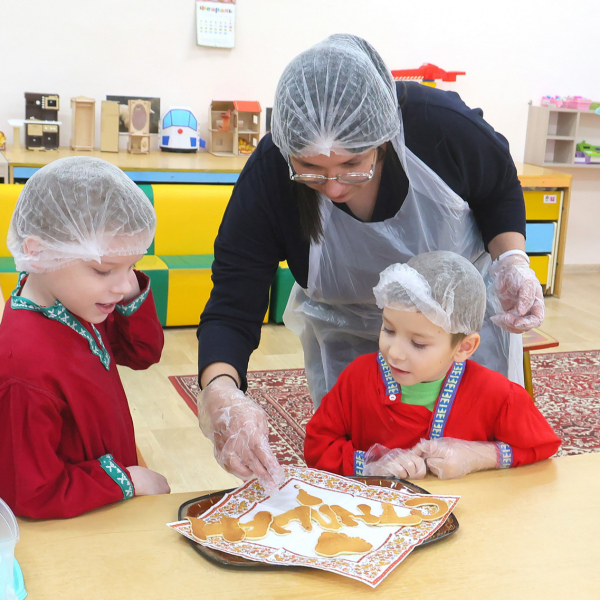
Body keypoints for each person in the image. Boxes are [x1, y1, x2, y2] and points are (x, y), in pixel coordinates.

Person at [196, 34, 545, 489]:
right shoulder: (269, 173)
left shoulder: (438, 125)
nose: (334, 187)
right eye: (310, 170)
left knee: (472, 466)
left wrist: (512, 259)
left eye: (353, 165)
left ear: (383, 139)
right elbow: (233, 300)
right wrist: (221, 391)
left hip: (448, 330)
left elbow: (498, 188)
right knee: (366, 473)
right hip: (345, 333)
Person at [0, 156, 170, 518]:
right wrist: (127, 480)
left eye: (132, 266)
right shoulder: (24, 369)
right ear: (37, 252)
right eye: (104, 269)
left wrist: (123, 281)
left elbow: (143, 352)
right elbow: (32, 492)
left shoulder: (75, 302)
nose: (123, 285)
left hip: (105, 499)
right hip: (81, 519)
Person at [304, 251, 561, 479]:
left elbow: (541, 446)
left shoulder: (496, 395)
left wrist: (478, 456)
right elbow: (317, 447)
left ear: (464, 347)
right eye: (388, 329)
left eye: (418, 344)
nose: (395, 353)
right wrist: (370, 465)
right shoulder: (358, 379)